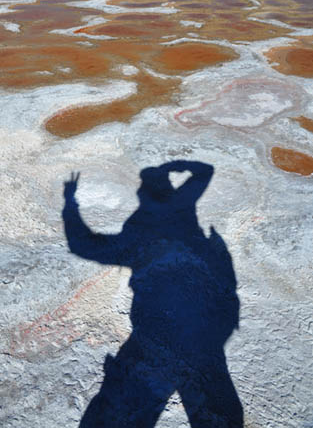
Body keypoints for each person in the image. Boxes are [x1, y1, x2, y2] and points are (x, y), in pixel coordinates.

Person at [63, 160, 243, 427]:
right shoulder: (181, 207)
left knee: (120, 413)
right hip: (203, 329)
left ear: (142, 197)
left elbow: (82, 245)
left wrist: (70, 203)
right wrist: (174, 165)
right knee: (216, 409)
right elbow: (205, 171)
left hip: (155, 338)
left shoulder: (136, 240)